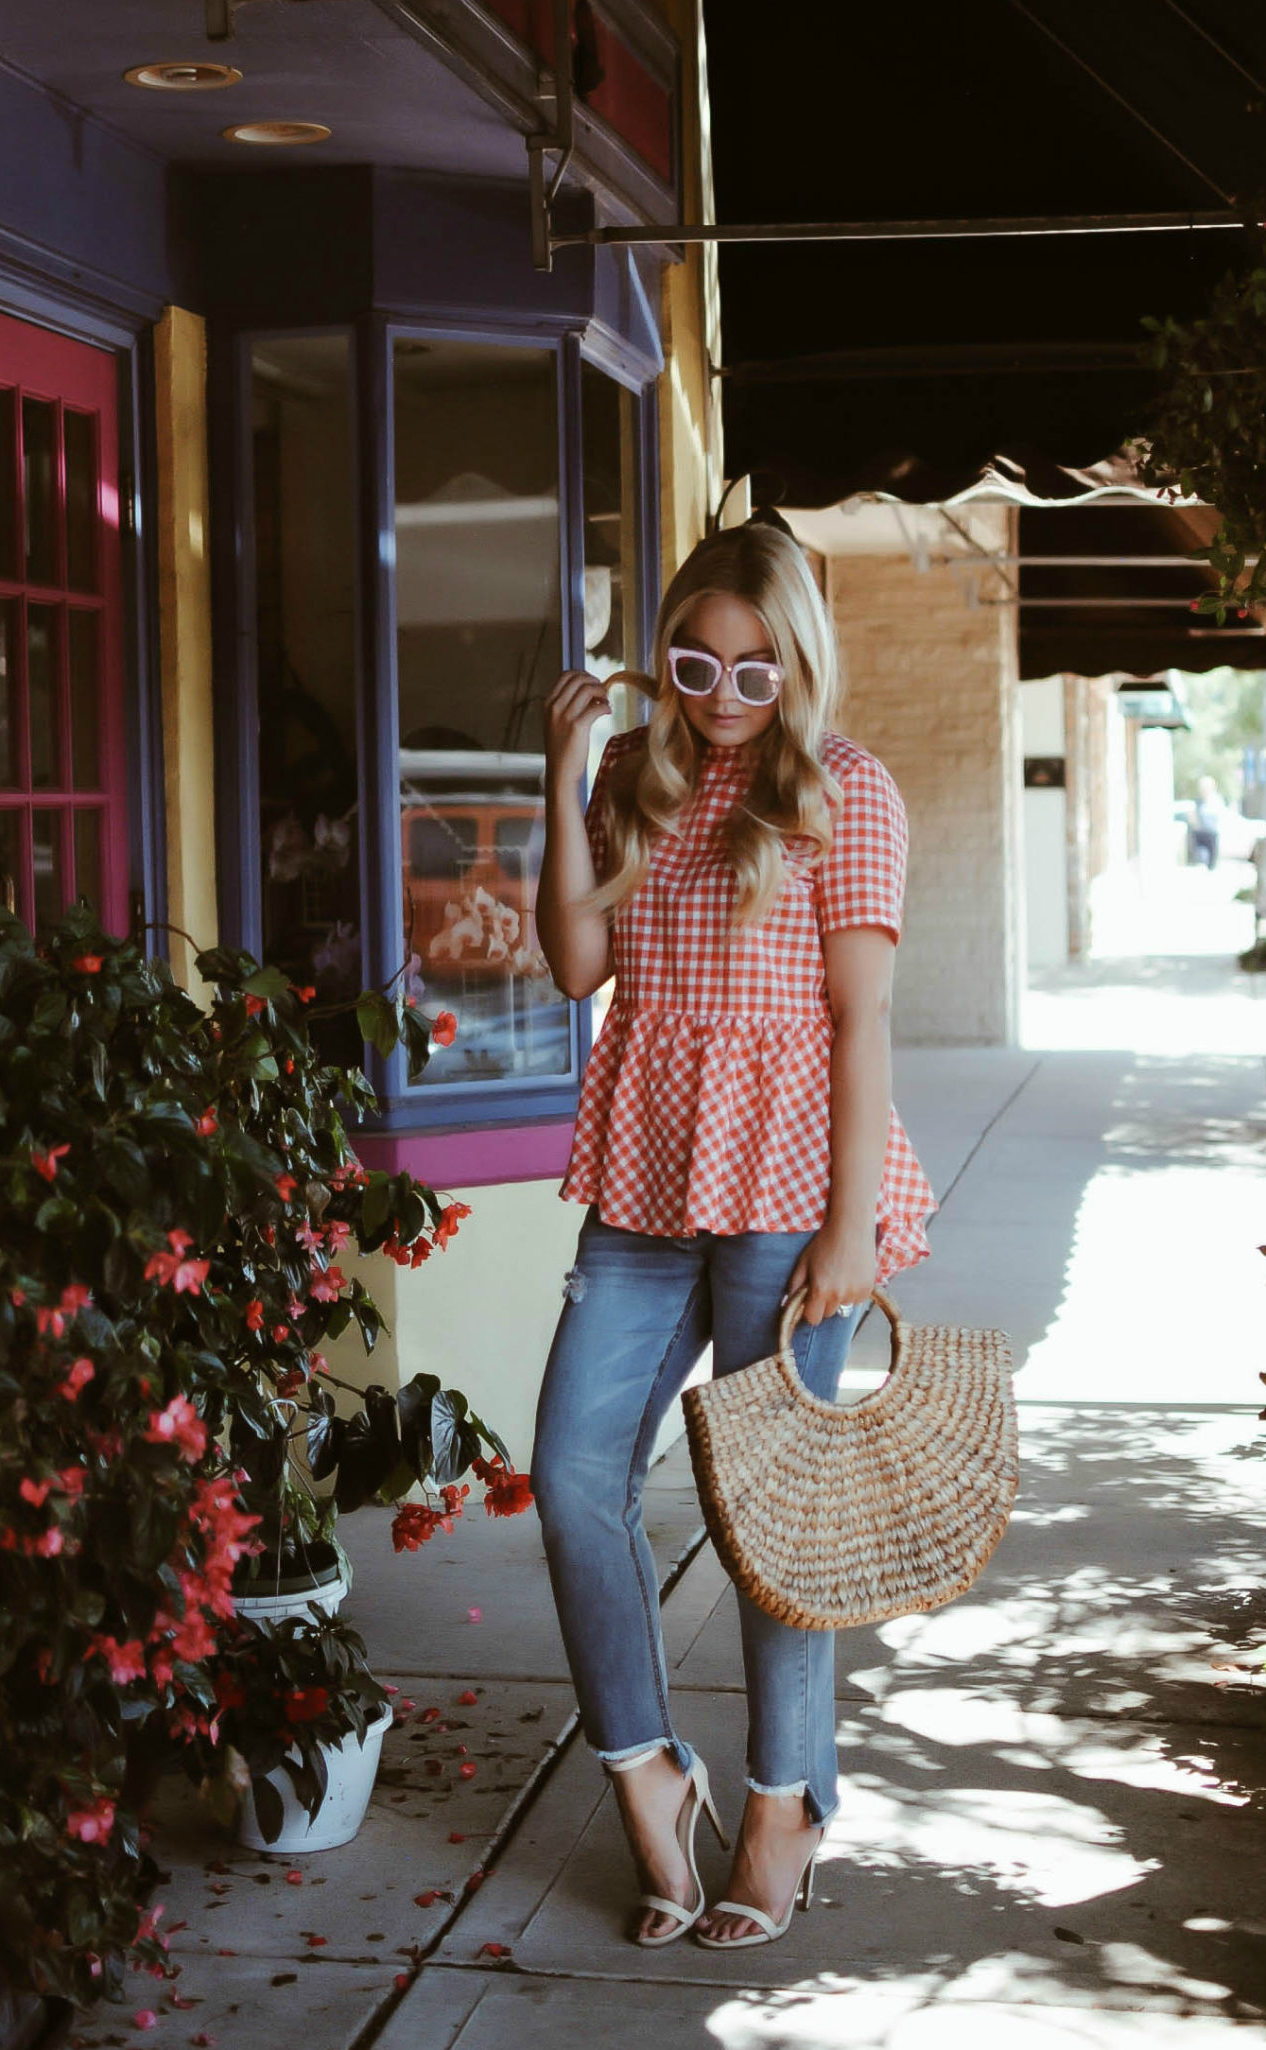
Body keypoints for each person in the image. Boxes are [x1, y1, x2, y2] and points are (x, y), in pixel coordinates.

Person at [530, 518, 936, 1951]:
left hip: (784, 1182)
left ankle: (785, 1799)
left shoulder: (845, 791)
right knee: (573, 1469)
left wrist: (850, 1229)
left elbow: (860, 1017)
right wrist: (562, 773)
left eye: (757, 669)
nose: (722, 694)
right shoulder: (641, 783)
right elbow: (579, 961)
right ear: (666, 655)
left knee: (769, 1509)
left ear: (800, 663)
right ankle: (645, 1762)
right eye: (696, 662)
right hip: (646, 1176)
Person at [1193, 776, 1223, 870]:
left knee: (1211, 864)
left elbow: (1219, 817)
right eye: (1202, 787)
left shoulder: (1216, 801)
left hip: (1212, 834)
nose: (1203, 790)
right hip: (1200, 834)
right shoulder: (1198, 802)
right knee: (1200, 860)